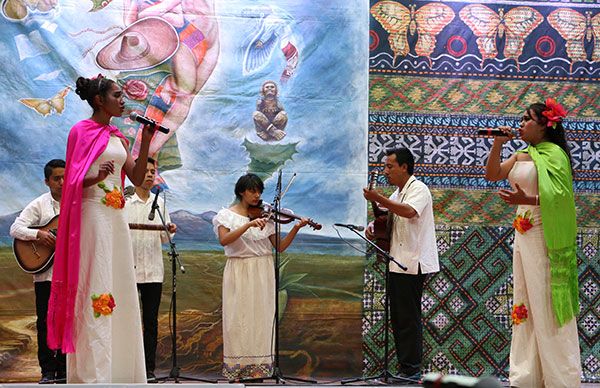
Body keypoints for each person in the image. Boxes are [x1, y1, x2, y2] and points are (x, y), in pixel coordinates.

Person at [46, 74, 155, 383]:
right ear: (99, 100)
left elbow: (134, 177)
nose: (123, 100)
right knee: (96, 283)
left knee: (118, 282)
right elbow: (71, 185)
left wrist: (144, 140)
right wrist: (96, 179)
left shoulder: (118, 136)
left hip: (116, 217)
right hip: (93, 214)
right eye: (117, 95)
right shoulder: (80, 132)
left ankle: (121, 369)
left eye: (123, 96)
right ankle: (94, 374)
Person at [484, 99, 580, 387]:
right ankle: (527, 375)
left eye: (527, 119)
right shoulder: (522, 154)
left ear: (544, 125)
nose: (521, 123)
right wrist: (498, 144)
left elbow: (563, 200)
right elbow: (492, 175)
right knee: (525, 299)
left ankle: (559, 376)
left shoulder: (555, 155)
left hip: (544, 234)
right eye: (522, 118)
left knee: (546, 300)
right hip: (523, 235)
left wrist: (526, 201)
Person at [212, 173, 308, 380]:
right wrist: (247, 225)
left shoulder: (266, 217)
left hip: (263, 270)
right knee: (238, 319)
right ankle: (238, 369)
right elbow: (224, 240)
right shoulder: (225, 215)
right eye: (252, 191)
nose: (257, 195)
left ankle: (258, 369)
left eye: (259, 191)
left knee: (261, 319)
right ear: (241, 191)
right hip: (239, 269)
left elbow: (280, 247)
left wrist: (296, 228)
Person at [363, 148, 439, 382]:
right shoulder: (398, 193)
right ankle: (405, 369)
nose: (386, 171)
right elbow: (389, 215)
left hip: (413, 262)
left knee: (408, 317)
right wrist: (374, 228)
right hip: (397, 261)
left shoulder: (419, 189)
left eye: (390, 166)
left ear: (404, 167)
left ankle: (411, 370)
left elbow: (408, 212)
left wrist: (378, 198)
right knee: (399, 317)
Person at [9, 159, 67, 384]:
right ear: (47, 181)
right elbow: (16, 228)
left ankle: (63, 369)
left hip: (69, 275)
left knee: (66, 321)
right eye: (56, 178)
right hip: (45, 275)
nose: (62, 182)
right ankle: (47, 371)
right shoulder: (40, 204)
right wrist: (39, 235)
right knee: (45, 321)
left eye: (65, 177)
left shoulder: (76, 204)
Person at [125, 157, 177, 382]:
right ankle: (127, 367)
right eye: (144, 171)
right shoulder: (124, 203)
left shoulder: (160, 204)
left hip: (153, 272)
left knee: (151, 322)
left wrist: (170, 229)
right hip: (127, 271)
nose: (149, 175)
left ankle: (148, 370)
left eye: (152, 171)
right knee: (127, 320)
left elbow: (166, 238)